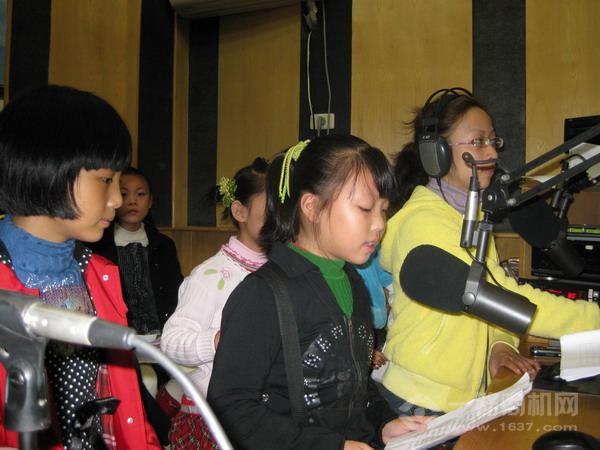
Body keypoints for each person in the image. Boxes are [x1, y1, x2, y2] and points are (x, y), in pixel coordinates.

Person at [379, 87, 600, 416]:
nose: (492, 153)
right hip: (421, 397)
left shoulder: (471, 214)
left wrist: (499, 344)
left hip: (455, 395)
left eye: (493, 141)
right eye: (478, 141)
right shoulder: (424, 223)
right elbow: (495, 294)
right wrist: (595, 318)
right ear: (436, 153)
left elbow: (490, 302)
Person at [208, 135, 431, 450]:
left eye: (383, 210)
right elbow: (230, 406)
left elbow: (354, 382)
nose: (380, 224)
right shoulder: (262, 295)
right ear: (312, 207)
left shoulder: (353, 283)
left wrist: (383, 424)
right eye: (365, 208)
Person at [0, 85, 161, 449]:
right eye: (106, 180)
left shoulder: (99, 273)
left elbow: (128, 407)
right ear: (48, 168)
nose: (117, 199)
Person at [160, 157, 269, 449]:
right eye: (271, 209)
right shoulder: (211, 275)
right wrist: (219, 340)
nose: (282, 218)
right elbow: (171, 342)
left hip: (258, 417)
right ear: (240, 211)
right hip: (211, 418)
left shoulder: (280, 272)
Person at [90, 166, 183, 335]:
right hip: (116, 334)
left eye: (140, 194)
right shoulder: (99, 245)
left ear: (150, 201)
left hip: (161, 334)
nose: (132, 201)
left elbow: (175, 291)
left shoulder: (164, 245)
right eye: (124, 194)